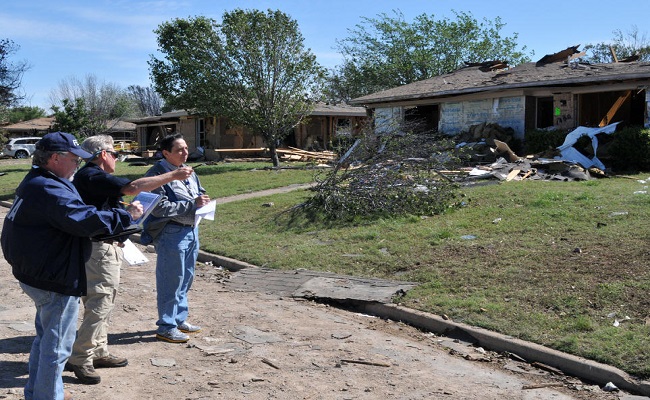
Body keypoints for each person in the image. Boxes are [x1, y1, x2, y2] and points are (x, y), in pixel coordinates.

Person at [0, 131, 143, 400]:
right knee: (56, 348)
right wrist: (126, 215)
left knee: (46, 342)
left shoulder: (40, 181)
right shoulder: (49, 187)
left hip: (41, 273)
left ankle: (37, 393)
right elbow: (84, 220)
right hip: (53, 277)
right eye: (74, 158)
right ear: (55, 158)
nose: (78, 163)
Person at [65, 135, 193, 385]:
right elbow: (134, 187)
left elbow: (105, 208)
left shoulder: (92, 178)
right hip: (98, 248)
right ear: (103, 154)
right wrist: (172, 176)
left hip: (107, 245)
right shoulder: (92, 175)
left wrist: (124, 217)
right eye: (114, 153)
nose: (116, 158)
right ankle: (80, 358)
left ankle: (98, 351)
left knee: (105, 300)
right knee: (99, 302)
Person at [141, 133, 211, 343]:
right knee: (171, 280)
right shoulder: (157, 174)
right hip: (171, 233)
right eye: (179, 150)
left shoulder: (188, 172)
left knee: (186, 277)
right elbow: (158, 208)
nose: (185, 152)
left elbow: (199, 192)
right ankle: (166, 326)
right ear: (165, 153)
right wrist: (192, 205)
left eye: (186, 148)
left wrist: (203, 199)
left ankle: (179, 319)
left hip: (191, 230)